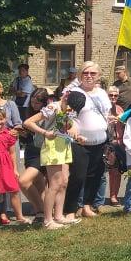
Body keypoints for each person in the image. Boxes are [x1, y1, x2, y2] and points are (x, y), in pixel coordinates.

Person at [61, 61, 112, 221]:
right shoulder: (74, 93)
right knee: (78, 176)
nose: (89, 76)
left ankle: (87, 206)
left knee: (95, 175)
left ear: (98, 76)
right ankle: (70, 209)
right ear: (80, 75)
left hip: (100, 141)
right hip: (80, 142)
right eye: (85, 73)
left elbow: (105, 113)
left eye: (93, 73)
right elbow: (67, 116)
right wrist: (73, 129)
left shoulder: (102, 93)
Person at [24, 91, 83, 228]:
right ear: (66, 98)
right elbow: (28, 122)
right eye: (71, 106)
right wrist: (45, 132)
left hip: (64, 146)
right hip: (52, 148)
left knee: (64, 182)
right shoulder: (53, 107)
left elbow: (66, 127)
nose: (71, 109)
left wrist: (77, 136)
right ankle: (48, 220)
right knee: (55, 184)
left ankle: (59, 216)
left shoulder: (68, 109)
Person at [16, 88, 51, 217]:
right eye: (32, 102)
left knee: (24, 181)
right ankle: (41, 212)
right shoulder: (29, 112)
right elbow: (28, 137)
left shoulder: (48, 113)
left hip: (44, 151)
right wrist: (23, 133)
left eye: (37, 103)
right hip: (31, 151)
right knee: (38, 184)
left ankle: (42, 210)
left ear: (44, 103)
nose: (34, 105)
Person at [105, 86, 125, 206]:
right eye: (110, 95)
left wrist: (121, 121)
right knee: (104, 172)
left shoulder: (120, 109)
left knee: (117, 171)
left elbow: (125, 124)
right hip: (106, 142)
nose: (113, 97)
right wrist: (109, 119)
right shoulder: (103, 108)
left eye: (115, 95)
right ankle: (97, 198)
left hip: (119, 142)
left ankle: (114, 196)